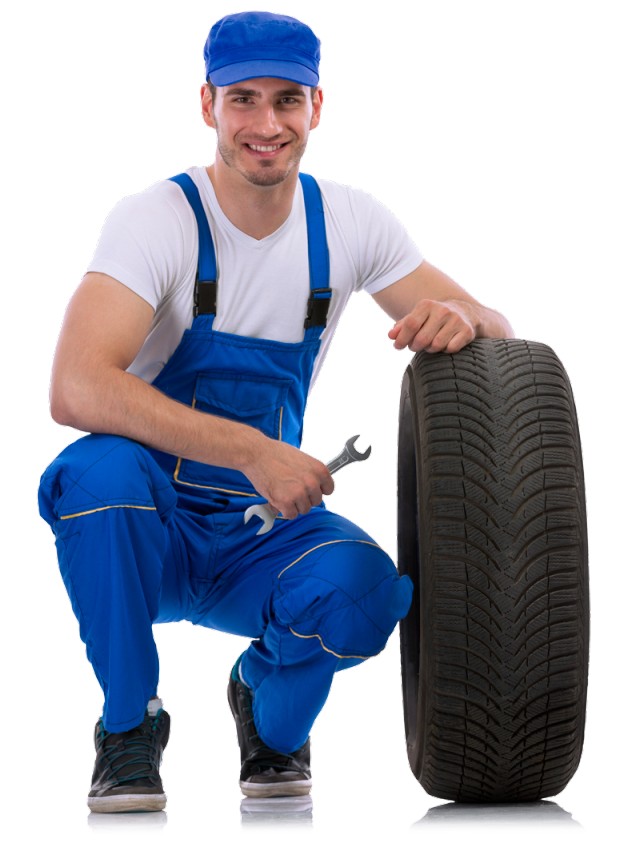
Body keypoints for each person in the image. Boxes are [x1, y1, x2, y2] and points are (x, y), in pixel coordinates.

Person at [38, 11, 514, 814]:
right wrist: (253, 447)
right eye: (243, 99)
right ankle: (128, 726)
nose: (266, 124)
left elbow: (498, 324)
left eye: (287, 100)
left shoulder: (350, 223)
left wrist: (467, 320)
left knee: (366, 591)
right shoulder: (160, 220)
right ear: (207, 104)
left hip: (263, 532)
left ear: (317, 108)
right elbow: (76, 386)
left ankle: (262, 699)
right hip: (147, 530)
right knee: (98, 472)